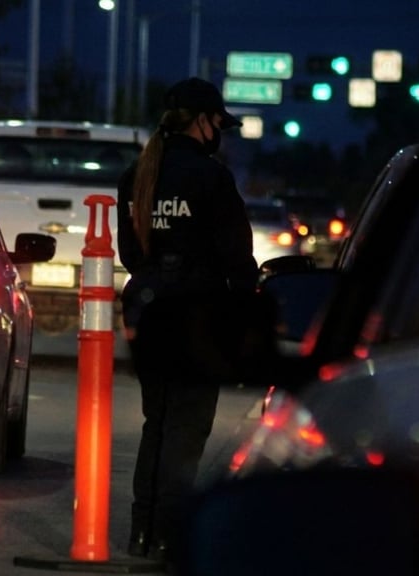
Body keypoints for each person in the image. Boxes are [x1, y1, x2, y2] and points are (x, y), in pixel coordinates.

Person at [116, 77, 259, 561]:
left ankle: (142, 531)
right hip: (199, 315)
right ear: (202, 122)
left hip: (148, 310)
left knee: (157, 424)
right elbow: (238, 258)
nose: (221, 131)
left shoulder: (137, 175)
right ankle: (169, 536)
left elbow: (132, 254)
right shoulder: (212, 179)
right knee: (187, 429)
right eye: (219, 122)